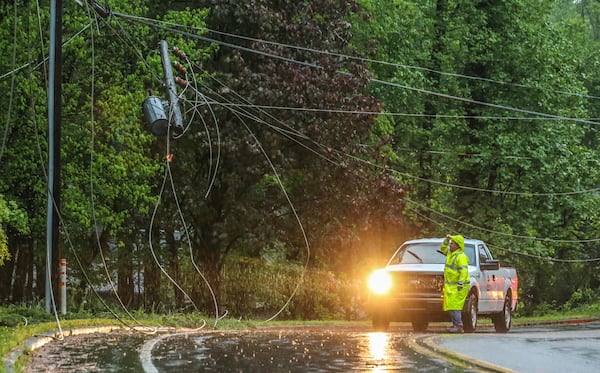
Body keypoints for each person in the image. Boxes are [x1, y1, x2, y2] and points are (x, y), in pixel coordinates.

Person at [440, 234, 470, 333]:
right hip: (451, 286)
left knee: (455, 306)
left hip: (459, 286)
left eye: (452, 244)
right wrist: (446, 239)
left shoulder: (461, 257)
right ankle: (456, 325)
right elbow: (442, 248)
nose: (450, 245)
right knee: (451, 305)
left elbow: (463, 271)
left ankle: (458, 326)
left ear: (458, 245)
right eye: (450, 244)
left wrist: (460, 283)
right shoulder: (450, 254)